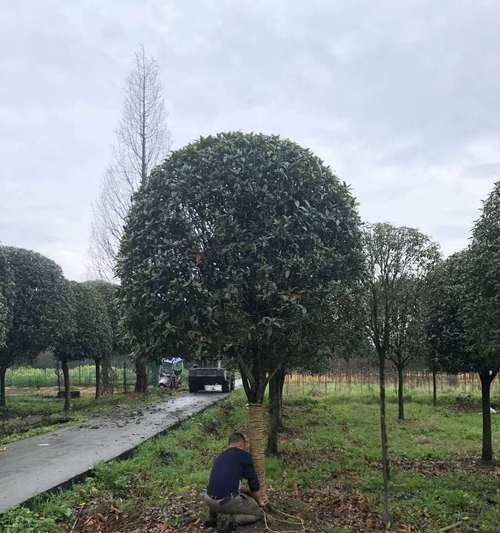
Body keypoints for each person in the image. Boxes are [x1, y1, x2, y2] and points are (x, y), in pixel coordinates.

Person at [204, 431, 265, 531]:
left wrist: (242, 489)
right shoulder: (244, 455)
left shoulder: (220, 456)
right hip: (226, 502)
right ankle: (232, 520)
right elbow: (253, 484)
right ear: (241, 444)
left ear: (229, 444)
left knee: (216, 489)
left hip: (207, 499)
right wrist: (260, 502)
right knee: (257, 514)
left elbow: (220, 480)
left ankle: (212, 520)